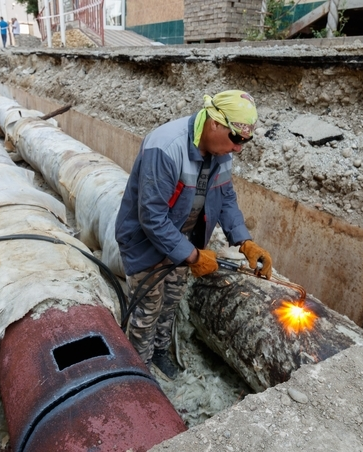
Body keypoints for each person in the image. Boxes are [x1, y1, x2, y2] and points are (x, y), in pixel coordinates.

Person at [115, 90, 273, 381]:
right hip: (145, 242)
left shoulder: (221, 153)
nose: (238, 148)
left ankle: (161, 349)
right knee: (147, 308)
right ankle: (139, 368)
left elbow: (225, 199)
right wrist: (193, 255)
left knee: (171, 301)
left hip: (184, 241)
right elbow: (151, 217)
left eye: (245, 142)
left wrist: (243, 241)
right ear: (214, 123)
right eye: (236, 138)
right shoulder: (165, 147)